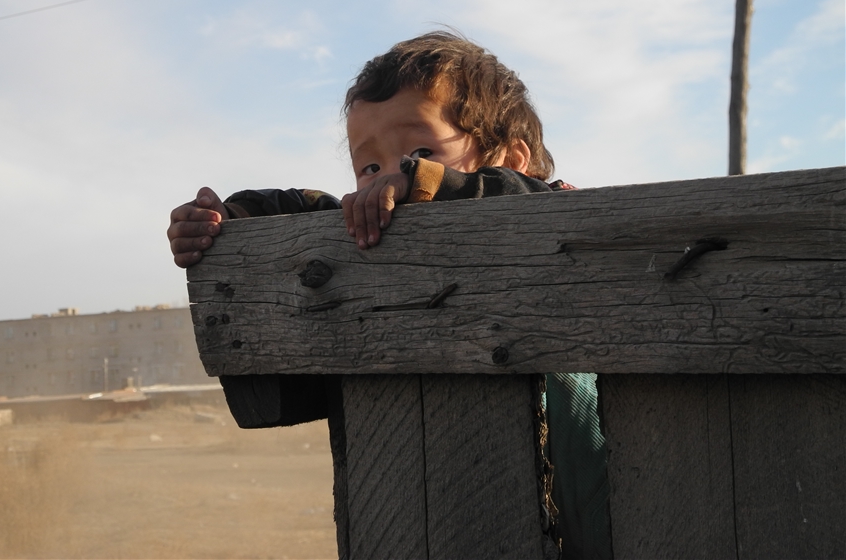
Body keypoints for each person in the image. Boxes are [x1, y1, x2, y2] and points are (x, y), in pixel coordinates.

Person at [167, 30, 610, 560]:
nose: (390, 178)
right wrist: (231, 218)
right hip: (435, 517)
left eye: (420, 152)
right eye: (370, 167)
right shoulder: (365, 244)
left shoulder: (553, 216)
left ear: (513, 159)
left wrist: (429, 184)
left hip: (596, 519)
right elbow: (305, 205)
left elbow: (534, 198)